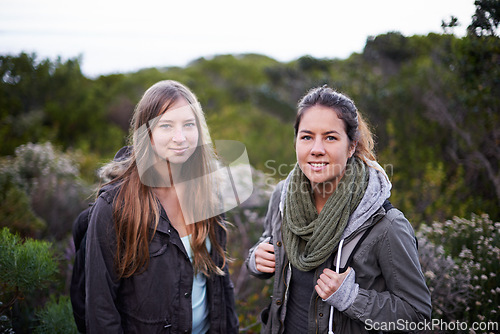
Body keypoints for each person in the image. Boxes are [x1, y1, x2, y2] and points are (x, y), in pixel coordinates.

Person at [245, 85, 431, 333]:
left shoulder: (386, 225)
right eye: (307, 136)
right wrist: (254, 260)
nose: (316, 149)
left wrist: (352, 298)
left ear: (351, 146)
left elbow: (417, 314)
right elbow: (268, 244)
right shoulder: (282, 197)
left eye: (330, 137)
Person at [85, 80, 239, 333]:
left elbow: (222, 285)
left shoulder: (207, 192)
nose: (180, 138)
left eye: (188, 125)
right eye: (166, 125)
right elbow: (100, 309)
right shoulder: (114, 206)